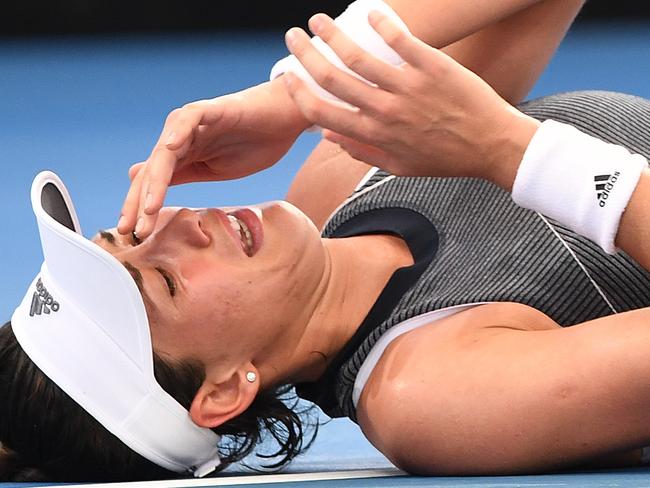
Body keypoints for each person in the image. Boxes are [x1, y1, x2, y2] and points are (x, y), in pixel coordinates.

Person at [6, 0, 650, 483]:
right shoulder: (429, 395)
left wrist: (298, 93)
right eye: (164, 282)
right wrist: (507, 151)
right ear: (226, 389)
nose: (181, 225)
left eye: (129, 236)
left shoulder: (337, 184)